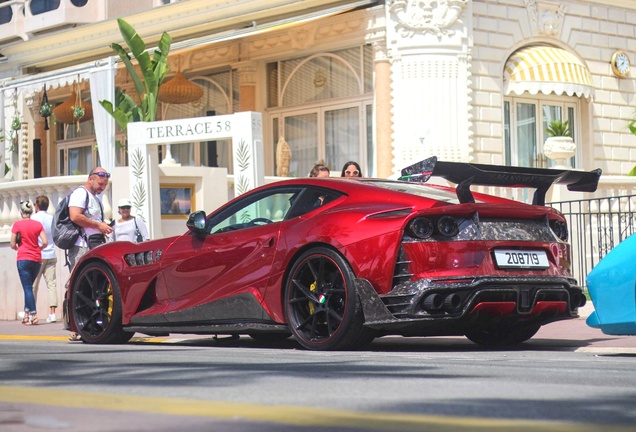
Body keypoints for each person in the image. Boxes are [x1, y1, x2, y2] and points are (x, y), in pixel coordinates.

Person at [67, 167, 114, 341]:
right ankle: (75, 326)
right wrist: (99, 225)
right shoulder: (81, 194)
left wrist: (103, 227)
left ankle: (90, 324)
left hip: (93, 246)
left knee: (94, 289)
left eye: (104, 185)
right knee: (79, 286)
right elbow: (75, 216)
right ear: (91, 179)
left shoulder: (95, 199)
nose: (102, 187)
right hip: (81, 246)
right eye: (100, 184)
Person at [10, 200, 47, 326]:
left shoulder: (17, 225)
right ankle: (26, 315)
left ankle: (34, 315)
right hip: (36, 258)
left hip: (23, 258)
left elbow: (12, 244)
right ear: (31, 212)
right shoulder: (37, 224)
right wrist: (38, 249)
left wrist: (17, 247)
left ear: (21, 212)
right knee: (29, 288)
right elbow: (45, 242)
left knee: (27, 288)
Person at [31, 195, 59, 323]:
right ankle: (52, 313)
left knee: (33, 285)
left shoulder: (33, 218)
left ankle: (32, 312)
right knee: (51, 284)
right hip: (51, 253)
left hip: (38, 254)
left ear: (37, 205)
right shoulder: (52, 218)